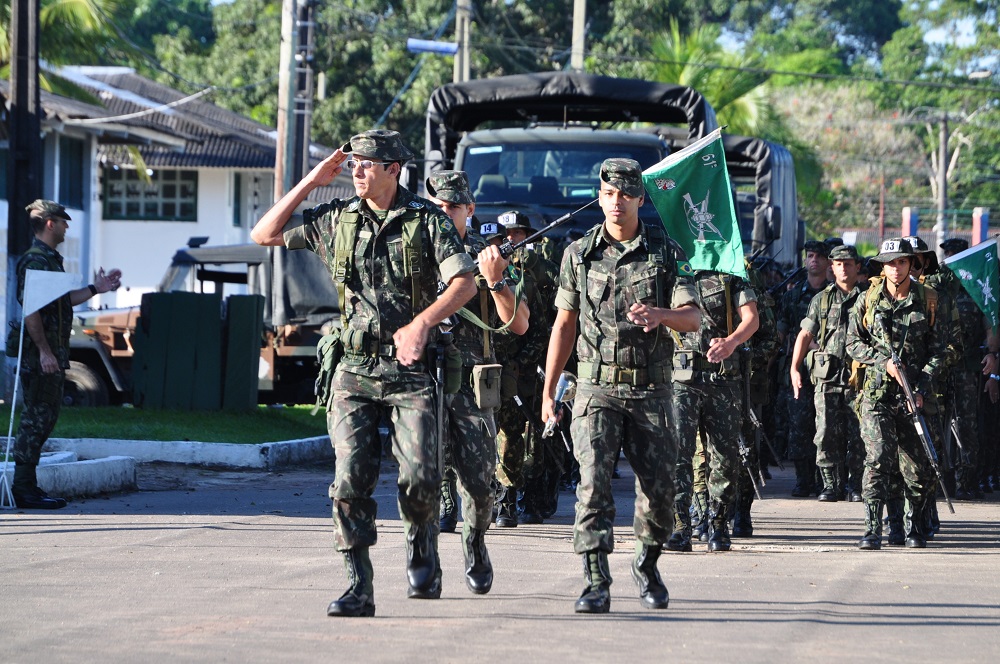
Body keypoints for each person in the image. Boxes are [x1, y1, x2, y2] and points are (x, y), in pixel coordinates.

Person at [251, 130, 478, 616]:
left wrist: (422, 324)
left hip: (410, 368)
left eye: (367, 164)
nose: (356, 171)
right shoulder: (335, 218)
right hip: (353, 367)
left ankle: (421, 545)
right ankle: (359, 584)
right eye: (352, 163)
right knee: (350, 476)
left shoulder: (426, 220)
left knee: (421, 477)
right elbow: (264, 233)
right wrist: (313, 180)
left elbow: (464, 283)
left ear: (393, 169)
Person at [542, 158, 700, 613]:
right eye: (608, 193)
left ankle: (647, 565)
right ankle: (595, 579)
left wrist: (660, 316)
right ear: (600, 194)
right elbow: (564, 324)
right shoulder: (579, 253)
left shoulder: (665, 251)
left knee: (660, 490)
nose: (616, 202)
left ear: (639, 198)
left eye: (625, 194)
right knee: (591, 485)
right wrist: (549, 390)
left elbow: (692, 318)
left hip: (652, 392)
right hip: (596, 390)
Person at [425, 171, 529, 595]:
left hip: (471, 383)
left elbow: (519, 324)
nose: (445, 215)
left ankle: (476, 544)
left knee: (479, 477)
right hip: (421, 378)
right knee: (421, 474)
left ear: (470, 210)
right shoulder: (413, 251)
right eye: (438, 207)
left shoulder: (487, 256)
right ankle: (425, 557)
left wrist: (496, 278)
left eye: (454, 208)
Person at [11, 199, 122, 509]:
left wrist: (96, 288)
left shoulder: (49, 259)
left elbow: (62, 300)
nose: (66, 226)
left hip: (51, 353)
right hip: (40, 355)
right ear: (49, 224)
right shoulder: (36, 261)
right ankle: (23, 489)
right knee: (36, 419)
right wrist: (45, 352)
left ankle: (28, 486)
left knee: (45, 418)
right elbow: (31, 310)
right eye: (62, 221)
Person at [846, 238, 951, 550]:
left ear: (910, 264)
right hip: (876, 394)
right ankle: (872, 530)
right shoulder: (868, 300)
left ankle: (914, 525)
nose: (895, 268)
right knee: (878, 460)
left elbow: (940, 351)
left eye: (901, 262)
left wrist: (920, 388)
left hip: (914, 395)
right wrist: (884, 363)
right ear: (882, 265)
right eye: (889, 263)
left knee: (920, 469)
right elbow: (852, 343)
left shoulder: (929, 299)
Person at [668, 270, 759, 553]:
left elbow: (751, 318)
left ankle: (718, 524)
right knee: (678, 451)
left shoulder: (731, 277)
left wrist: (731, 342)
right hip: (680, 378)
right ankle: (681, 526)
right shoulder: (670, 272)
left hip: (721, 378)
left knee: (724, 456)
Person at [491, 210, 561, 527]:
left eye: (517, 234)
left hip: (530, 368)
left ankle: (527, 498)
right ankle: (492, 498)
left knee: (531, 435)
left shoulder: (537, 271)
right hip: (488, 369)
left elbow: (545, 327)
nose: (510, 240)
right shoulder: (484, 275)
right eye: (504, 236)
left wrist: (522, 363)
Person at [789, 244, 863, 503]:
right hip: (828, 378)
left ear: (857, 267)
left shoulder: (869, 297)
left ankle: (856, 485)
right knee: (825, 433)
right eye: (838, 263)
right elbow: (805, 334)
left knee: (859, 435)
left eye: (848, 263)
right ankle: (831, 485)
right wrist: (794, 368)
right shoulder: (820, 299)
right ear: (832, 267)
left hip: (859, 379)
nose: (843, 267)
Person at [777, 240, 831, 496]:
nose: (814, 260)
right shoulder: (792, 295)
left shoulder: (834, 296)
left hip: (829, 371)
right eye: (810, 256)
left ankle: (826, 480)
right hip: (800, 371)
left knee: (827, 427)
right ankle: (803, 480)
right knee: (799, 426)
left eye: (820, 256)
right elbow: (781, 332)